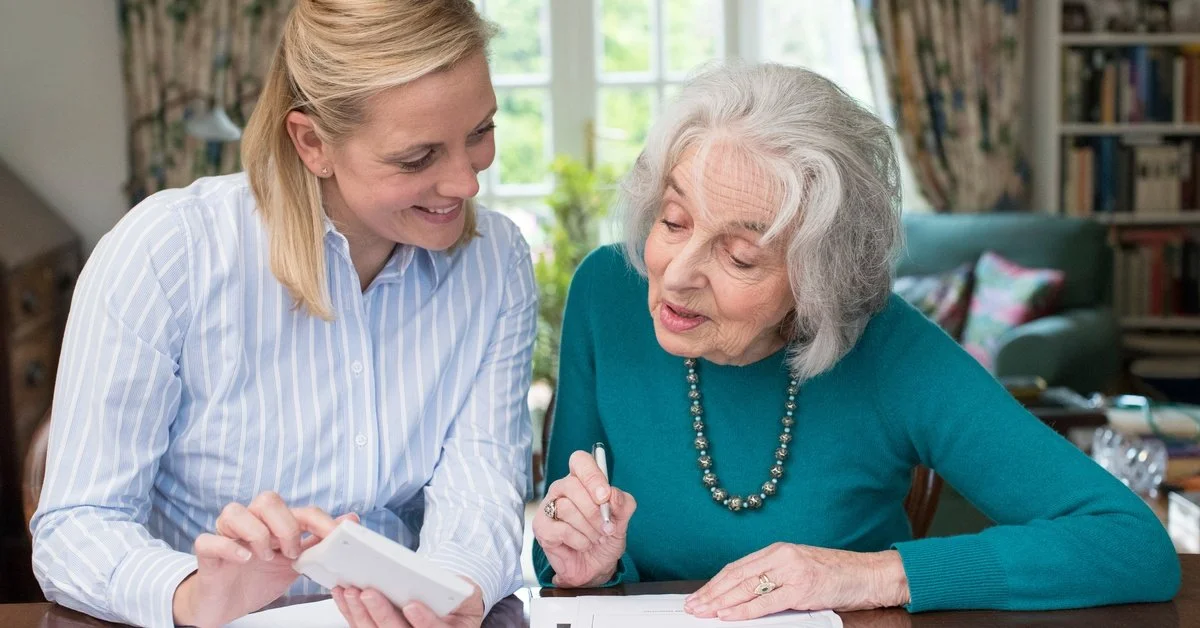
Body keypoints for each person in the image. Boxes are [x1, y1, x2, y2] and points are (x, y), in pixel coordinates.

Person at [532, 62, 1181, 620]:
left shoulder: (892, 351)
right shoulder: (608, 294)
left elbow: (1130, 544)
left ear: (818, 280)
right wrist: (582, 561)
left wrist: (867, 575)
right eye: (674, 220)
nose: (675, 274)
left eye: (740, 257)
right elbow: (557, 555)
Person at [31, 2, 535, 627]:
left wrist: (453, 593)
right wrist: (193, 594)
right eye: (417, 158)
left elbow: (481, 484)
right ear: (313, 142)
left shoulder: (497, 261)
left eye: (480, 132)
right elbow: (76, 526)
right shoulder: (168, 254)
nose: (466, 184)